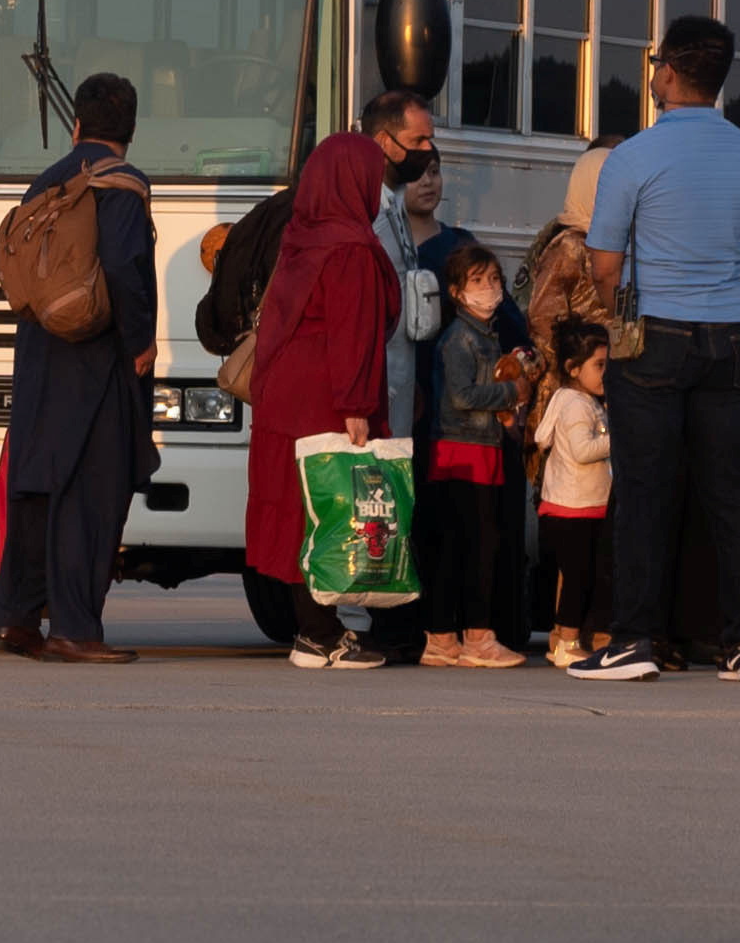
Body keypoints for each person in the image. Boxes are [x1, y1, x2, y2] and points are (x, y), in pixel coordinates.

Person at [571, 15, 740, 682]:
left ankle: (635, 639)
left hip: (654, 334)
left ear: (665, 72)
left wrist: (622, 315)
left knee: (645, 493)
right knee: (735, 497)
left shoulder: (633, 156)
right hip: (734, 339)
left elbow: (604, 264)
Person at [243, 90, 430, 670]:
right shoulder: (351, 249)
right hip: (326, 398)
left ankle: (316, 630)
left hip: (286, 399)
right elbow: (352, 335)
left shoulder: (302, 239)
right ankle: (320, 636)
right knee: (331, 512)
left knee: (300, 513)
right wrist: (357, 407)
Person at [0, 74, 160, 664]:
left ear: (77, 125)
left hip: (40, 357)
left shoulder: (48, 180)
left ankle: (15, 619)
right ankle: (75, 629)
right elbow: (125, 266)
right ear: (130, 130)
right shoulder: (123, 186)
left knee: (36, 487)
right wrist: (140, 342)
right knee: (91, 494)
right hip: (98, 360)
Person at [414, 243, 528, 668]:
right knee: (475, 545)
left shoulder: (487, 335)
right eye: (478, 281)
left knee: (462, 546)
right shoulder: (459, 339)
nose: (489, 288)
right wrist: (511, 392)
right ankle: (475, 637)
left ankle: (444, 637)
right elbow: (462, 396)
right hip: (463, 451)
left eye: (495, 279)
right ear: (456, 291)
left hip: (477, 448)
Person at [531, 320, 615, 666]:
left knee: (581, 576)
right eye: (599, 365)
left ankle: (569, 638)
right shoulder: (578, 405)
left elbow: (542, 437)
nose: (606, 374)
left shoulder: (568, 399)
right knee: (578, 578)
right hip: (576, 508)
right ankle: (566, 642)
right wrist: (619, 437)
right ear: (573, 368)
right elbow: (583, 450)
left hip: (573, 506)